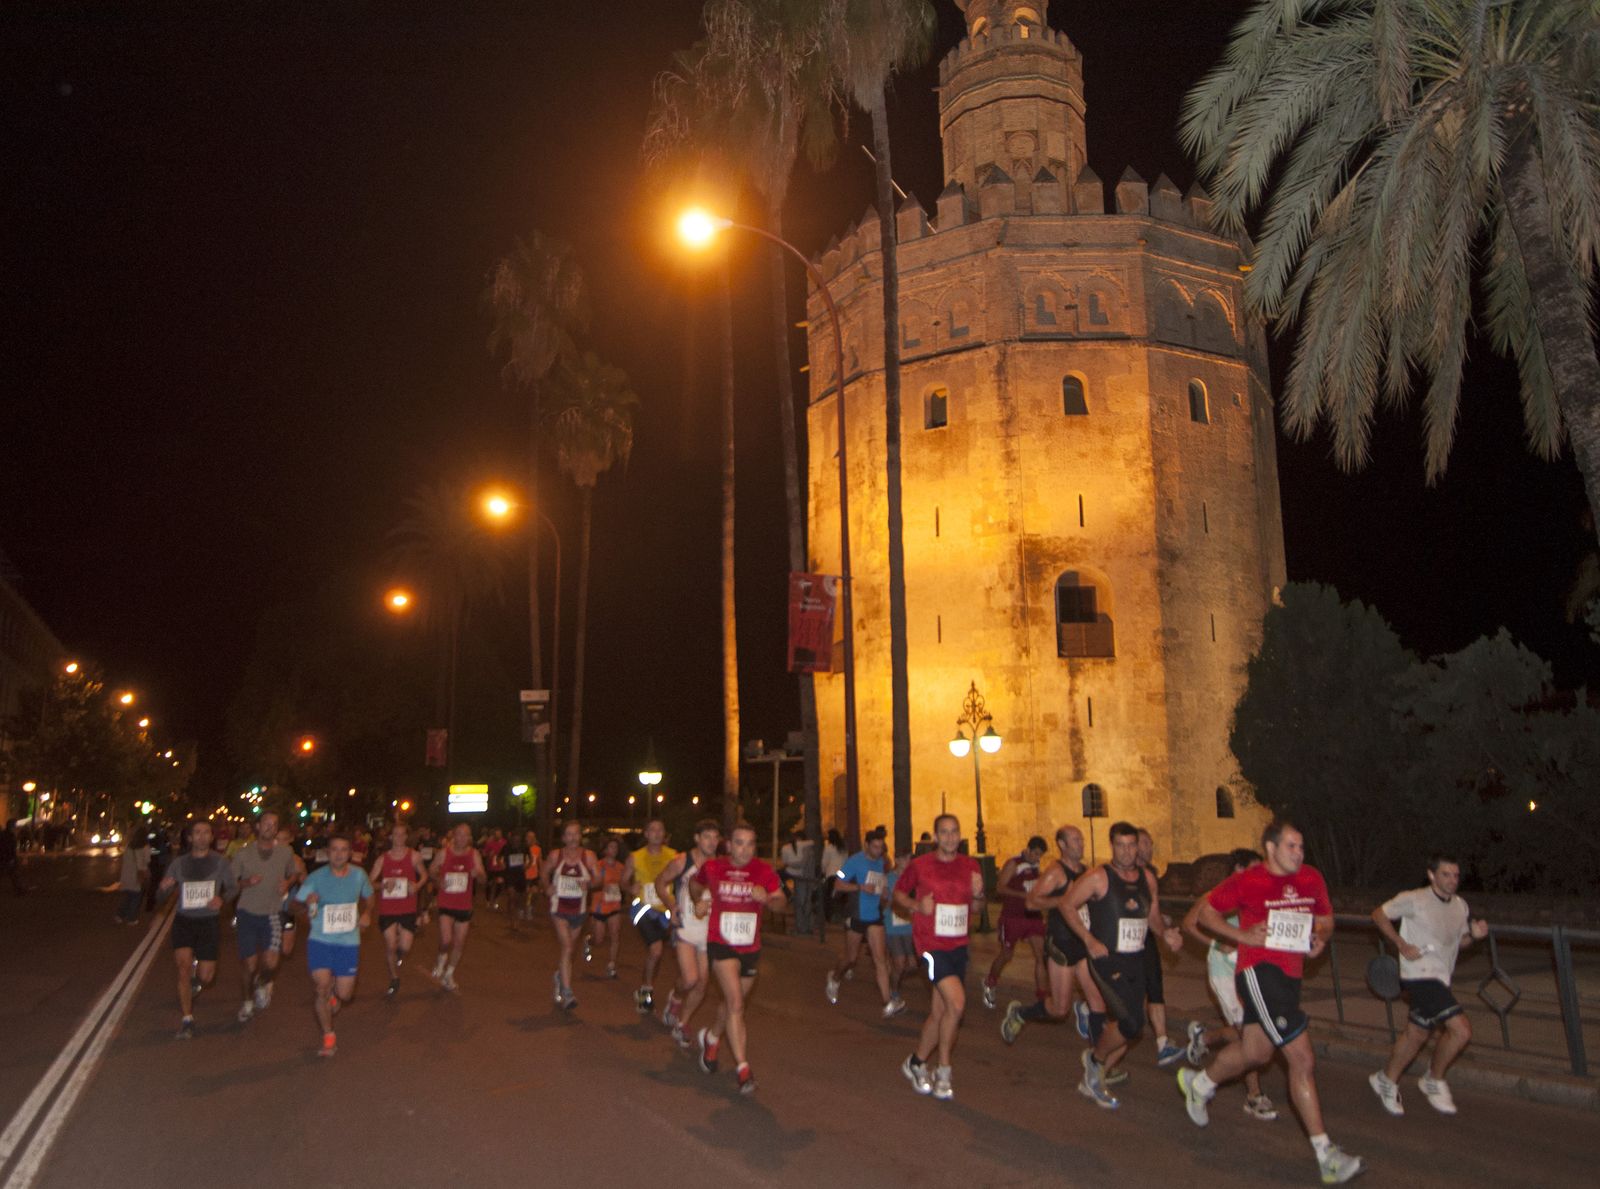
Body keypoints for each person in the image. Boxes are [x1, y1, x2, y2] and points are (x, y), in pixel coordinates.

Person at [1177, 820, 1363, 1185]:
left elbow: (1325, 919)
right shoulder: (1248, 881)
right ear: (1271, 848)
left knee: (1256, 1054)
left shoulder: (1311, 878)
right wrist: (1242, 934)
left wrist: (1320, 938)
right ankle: (1326, 1154)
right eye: (1292, 846)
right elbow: (1205, 914)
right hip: (1259, 974)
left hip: (1290, 976)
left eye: (1302, 847)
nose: (1299, 853)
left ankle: (1199, 1084)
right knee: (1302, 1058)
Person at [1060, 821, 1182, 1108]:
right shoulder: (1098, 877)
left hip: (1135, 957)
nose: (1127, 851)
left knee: (1131, 1024)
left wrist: (1165, 935)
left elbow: (1152, 917)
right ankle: (1095, 1062)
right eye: (1121, 845)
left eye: (1132, 845)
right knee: (1131, 1021)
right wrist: (1088, 940)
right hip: (1105, 959)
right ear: (1111, 845)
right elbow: (1066, 905)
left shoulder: (1147, 879)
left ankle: (1097, 1064)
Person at [1368, 853, 1490, 1117]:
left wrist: (1475, 937)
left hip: (1440, 977)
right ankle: (1433, 1079)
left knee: (1417, 1034)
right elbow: (1378, 914)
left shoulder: (1460, 906)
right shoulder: (1414, 898)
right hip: (1418, 974)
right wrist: (1400, 944)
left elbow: (1460, 943)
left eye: (1456, 875)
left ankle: (1385, 1080)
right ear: (1432, 875)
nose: (1452, 880)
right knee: (1461, 1030)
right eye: (1445, 874)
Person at [1180, 848, 1278, 1122]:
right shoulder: (1217, 895)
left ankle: (1205, 1038)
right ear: (1237, 869)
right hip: (1225, 972)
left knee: (1249, 1031)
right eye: (1254, 869)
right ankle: (1254, 1095)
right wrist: (1216, 943)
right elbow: (1189, 924)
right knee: (1248, 1036)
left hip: (1252, 970)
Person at [894, 814, 984, 1101]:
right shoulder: (920, 866)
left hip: (958, 945)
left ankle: (916, 1062)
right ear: (935, 837)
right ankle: (943, 1069)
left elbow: (978, 909)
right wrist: (917, 905)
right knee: (957, 1004)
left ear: (960, 835)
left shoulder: (971, 866)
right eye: (943, 832)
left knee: (941, 1012)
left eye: (954, 832)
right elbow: (897, 894)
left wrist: (980, 895)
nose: (949, 837)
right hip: (930, 946)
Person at [691, 821, 786, 1094]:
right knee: (735, 1002)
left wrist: (767, 899)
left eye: (750, 843)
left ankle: (712, 1038)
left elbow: (781, 903)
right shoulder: (713, 867)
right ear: (729, 845)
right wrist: (698, 902)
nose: (745, 849)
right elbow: (694, 886)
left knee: (733, 1005)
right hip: (721, 943)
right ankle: (743, 1069)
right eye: (739, 843)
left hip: (750, 947)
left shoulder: (763, 871)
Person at [1001, 825, 1101, 1047]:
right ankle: (1021, 1013)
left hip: (1082, 940)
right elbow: (1031, 901)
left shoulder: (1086, 871)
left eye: (1081, 839)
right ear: (1062, 845)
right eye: (1075, 840)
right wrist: (1064, 901)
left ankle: (1099, 1063)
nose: (1081, 843)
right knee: (1059, 1009)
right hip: (1062, 944)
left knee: (1097, 1002)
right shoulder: (1055, 873)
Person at [294, 833, 374, 1057]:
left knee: (345, 995)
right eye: (334, 850)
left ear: (350, 852)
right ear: (327, 853)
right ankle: (328, 1036)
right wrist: (306, 907)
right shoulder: (316, 878)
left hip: (349, 941)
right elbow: (295, 904)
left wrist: (367, 913)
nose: (339, 854)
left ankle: (335, 996)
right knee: (321, 987)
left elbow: (370, 896)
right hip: (321, 939)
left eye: (343, 849)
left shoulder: (359, 875)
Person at [157, 819, 239, 1039]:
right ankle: (187, 1019)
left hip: (208, 923)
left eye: (206, 833)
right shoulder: (179, 863)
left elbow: (232, 888)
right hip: (184, 920)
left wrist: (221, 899)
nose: (202, 836)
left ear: (211, 837)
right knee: (182, 968)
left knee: (206, 977)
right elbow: (160, 896)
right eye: (197, 832)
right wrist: (164, 889)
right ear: (190, 838)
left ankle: (197, 980)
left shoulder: (220, 863)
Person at [825, 826, 904, 1018]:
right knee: (851, 958)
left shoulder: (882, 862)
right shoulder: (854, 861)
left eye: (881, 847)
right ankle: (834, 977)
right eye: (875, 847)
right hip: (856, 913)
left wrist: (884, 893)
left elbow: (882, 882)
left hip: (874, 916)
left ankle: (887, 1003)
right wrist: (860, 887)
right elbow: (838, 884)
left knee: (881, 960)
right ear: (866, 845)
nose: (878, 851)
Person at [656, 817, 720, 1047]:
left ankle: (682, 1023)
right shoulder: (682, 861)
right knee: (690, 979)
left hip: (707, 932)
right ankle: (675, 997)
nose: (712, 842)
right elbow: (659, 882)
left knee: (702, 984)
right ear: (697, 838)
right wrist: (671, 905)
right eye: (706, 837)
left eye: (715, 838)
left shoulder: (719, 866)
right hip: (685, 928)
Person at [231, 812, 300, 1021]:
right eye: (266, 824)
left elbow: (294, 873)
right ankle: (247, 1002)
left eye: (274, 825)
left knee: (271, 963)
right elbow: (231, 883)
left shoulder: (285, 853)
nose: (270, 827)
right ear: (258, 827)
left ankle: (262, 982)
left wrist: (288, 883)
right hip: (248, 913)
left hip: (272, 913)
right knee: (249, 965)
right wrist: (246, 883)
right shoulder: (243, 854)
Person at [983, 835, 1049, 1010]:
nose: (1037, 858)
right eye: (1035, 853)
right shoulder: (1014, 864)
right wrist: (1023, 896)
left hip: (1033, 916)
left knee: (1041, 956)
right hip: (1013, 916)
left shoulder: (1036, 868)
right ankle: (990, 981)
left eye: (1040, 855)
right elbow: (1000, 887)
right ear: (1027, 849)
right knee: (1007, 954)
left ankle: (1042, 997)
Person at [1137, 828, 1185, 1066]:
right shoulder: (1117, 875)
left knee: (1155, 987)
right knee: (1127, 997)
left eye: (1151, 843)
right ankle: (1092, 1010)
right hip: (1122, 945)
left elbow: (1149, 911)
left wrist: (1161, 924)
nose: (1150, 848)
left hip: (1146, 940)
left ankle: (1162, 1042)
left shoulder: (1150, 875)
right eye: (1145, 843)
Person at [623, 819, 678, 1013]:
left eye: (660, 830)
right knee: (656, 950)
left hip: (665, 910)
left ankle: (645, 986)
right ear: (645, 834)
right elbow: (623, 880)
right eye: (652, 830)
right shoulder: (635, 857)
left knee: (656, 954)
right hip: (643, 908)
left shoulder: (673, 856)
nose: (656, 833)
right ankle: (646, 990)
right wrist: (630, 887)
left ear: (664, 834)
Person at [370, 821, 430, 997]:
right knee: (390, 945)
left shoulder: (414, 856)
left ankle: (399, 954)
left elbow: (424, 875)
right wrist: (382, 886)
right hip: (388, 909)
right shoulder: (383, 858)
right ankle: (394, 977)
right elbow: (369, 882)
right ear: (391, 837)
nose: (398, 837)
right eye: (395, 834)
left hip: (407, 907)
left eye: (402, 834)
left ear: (406, 836)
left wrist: (417, 886)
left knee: (405, 946)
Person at [542, 821, 596, 1010]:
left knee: (570, 949)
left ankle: (559, 976)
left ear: (580, 836)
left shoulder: (588, 857)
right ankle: (567, 991)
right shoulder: (555, 856)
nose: (573, 838)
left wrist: (589, 885)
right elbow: (544, 871)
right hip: (559, 908)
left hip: (579, 909)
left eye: (576, 834)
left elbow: (599, 879)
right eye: (569, 834)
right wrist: (547, 887)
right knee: (567, 946)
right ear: (563, 837)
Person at [428, 823, 486, 992]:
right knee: (446, 940)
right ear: (453, 836)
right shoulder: (443, 853)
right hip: (446, 902)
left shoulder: (474, 855)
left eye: (465, 835)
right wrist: (439, 880)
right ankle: (440, 959)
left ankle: (449, 974)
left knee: (459, 943)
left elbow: (483, 879)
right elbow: (432, 870)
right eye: (458, 834)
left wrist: (478, 874)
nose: (461, 838)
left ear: (469, 838)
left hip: (464, 904)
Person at [585, 836, 627, 978]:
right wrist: (603, 886)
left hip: (614, 905)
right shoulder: (598, 865)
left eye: (616, 847)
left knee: (615, 936)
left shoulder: (621, 867)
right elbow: (591, 884)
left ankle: (611, 965)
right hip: (599, 906)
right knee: (599, 940)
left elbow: (624, 884)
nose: (613, 850)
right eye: (611, 847)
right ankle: (589, 941)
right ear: (604, 850)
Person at [779, 826, 816, 936]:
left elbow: (801, 864)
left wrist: (788, 865)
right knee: (805, 902)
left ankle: (802, 928)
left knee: (801, 903)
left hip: (803, 878)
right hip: (807, 878)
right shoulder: (808, 848)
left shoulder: (804, 848)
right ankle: (807, 927)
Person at [502, 827, 539, 928]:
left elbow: (531, 858)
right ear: (512, 838)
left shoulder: (524, 847)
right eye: (515, 838)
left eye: (518, 838)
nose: (516, 840)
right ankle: (513, 920)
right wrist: (502, 865)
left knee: (519, 898)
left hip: (520, 875)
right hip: (509, 874)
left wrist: (527, 866)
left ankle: (515, 915)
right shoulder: (507, 847)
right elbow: (498, 858)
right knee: (512, 895)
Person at [115, 829, 151, 923]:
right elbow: (146, 861)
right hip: (137, 875)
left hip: (126, 874)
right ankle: (131, 918)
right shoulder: (145, 847)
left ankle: (120, 915)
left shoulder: (129, 846)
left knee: (127, 896)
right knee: (136, 897)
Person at [820, 829, 846, 923]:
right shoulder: (843, 848)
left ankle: (829, 916)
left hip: (832, 873)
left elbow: (824, 862)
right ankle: (841, 915)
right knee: (841, 895)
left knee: (829, 895)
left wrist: (823, 871)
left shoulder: (829, 848)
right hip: (842, 874)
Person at [0, 819, 24, 895]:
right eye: (14, 825)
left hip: (5, 857)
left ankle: (19, 889)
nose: (16, 827)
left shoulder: (6, 834)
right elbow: (8, 847)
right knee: (13, 874)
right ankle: (19, 889)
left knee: (13, 874)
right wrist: (11, 858)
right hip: (7, 857)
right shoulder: (8, 835)